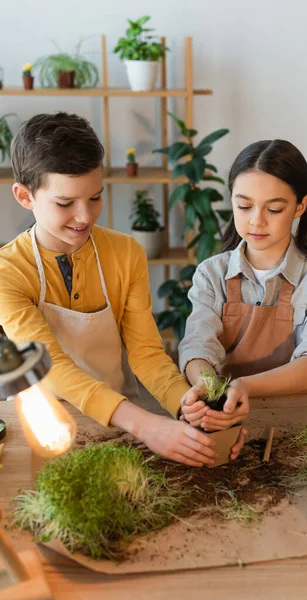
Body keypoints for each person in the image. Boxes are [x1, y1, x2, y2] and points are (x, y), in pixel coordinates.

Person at [0, 111, 247, 466]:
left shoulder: (125, 253)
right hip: (43, 427)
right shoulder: (7, 271)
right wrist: (147, 426)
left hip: (120, 426)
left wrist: (189, 407)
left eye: (95, 197)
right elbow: (50, 367)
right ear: (25, 196)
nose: (85, 216)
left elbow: (145, 352)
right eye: (65, 204)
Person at [179, 139, 307, 430]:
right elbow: (197, 347)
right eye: (244, 206)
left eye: (274, 209)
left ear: (299, 206)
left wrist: (244, 386)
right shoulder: (211, 273)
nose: (256, 221)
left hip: (297, 421)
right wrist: (210, 391)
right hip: (222, 418)